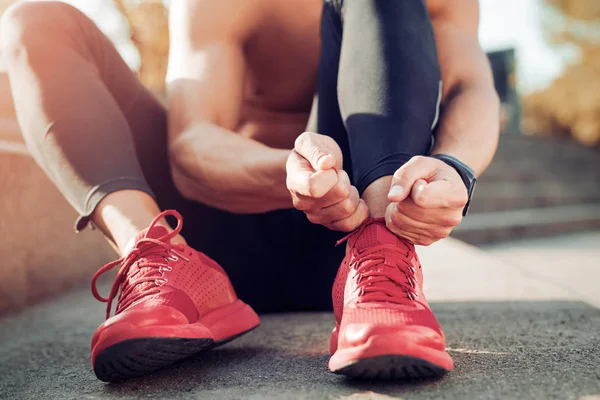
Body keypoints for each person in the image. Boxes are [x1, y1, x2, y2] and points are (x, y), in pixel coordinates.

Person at [1, 0, 499, 382]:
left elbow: (470, 86)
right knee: (36, 21)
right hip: (213, 236)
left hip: (347, 245)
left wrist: (456, 166)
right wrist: (290, 171)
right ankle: (154, 259)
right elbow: (190, 142)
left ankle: (382, 257)